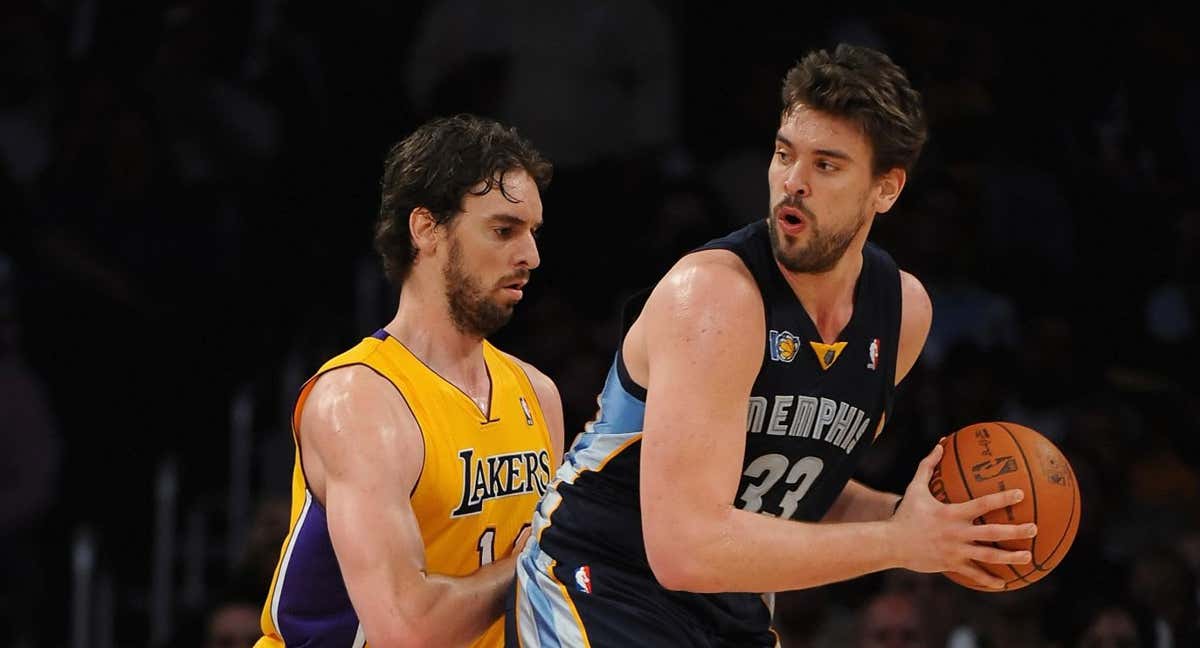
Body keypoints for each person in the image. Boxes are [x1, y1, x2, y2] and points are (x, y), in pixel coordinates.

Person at [508, 44, 1036, 647]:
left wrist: (935, 529)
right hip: (596, 583)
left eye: (827, 165)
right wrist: (898, 543)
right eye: (785, 154)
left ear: (885, 190)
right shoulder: (714, 296)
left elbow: (797, 492)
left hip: (728, 609)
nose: (793, 182)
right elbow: (684, 548)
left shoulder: (901, 313)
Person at [255, 113, 564, 647]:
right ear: (426, 229)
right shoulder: (359, 400)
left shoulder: (538, 394)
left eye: (533, 233)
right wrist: (550, 556)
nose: (530, 256)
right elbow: (405, 628)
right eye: (503, 230)